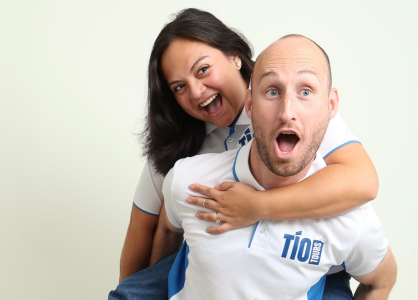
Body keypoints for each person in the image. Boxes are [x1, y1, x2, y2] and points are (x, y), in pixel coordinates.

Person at [110, 8, 378, 300]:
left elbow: (362, 181)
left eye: (203, 70)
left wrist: (257, 206)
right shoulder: (177, 145)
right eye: (179, 87)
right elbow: (145, 229)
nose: (197, 91)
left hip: (307, 264)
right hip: (216, 262)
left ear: (235, 56)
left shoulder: (290, 109)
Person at [162, 34, 397, 299]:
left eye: (305, 92)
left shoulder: (351, 219)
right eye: (272, 92)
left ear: (331, 106)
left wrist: (257, 207)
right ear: (250, 105)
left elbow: (382, 280)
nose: (287, 112)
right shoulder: (188, 177)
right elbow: (162, 228)